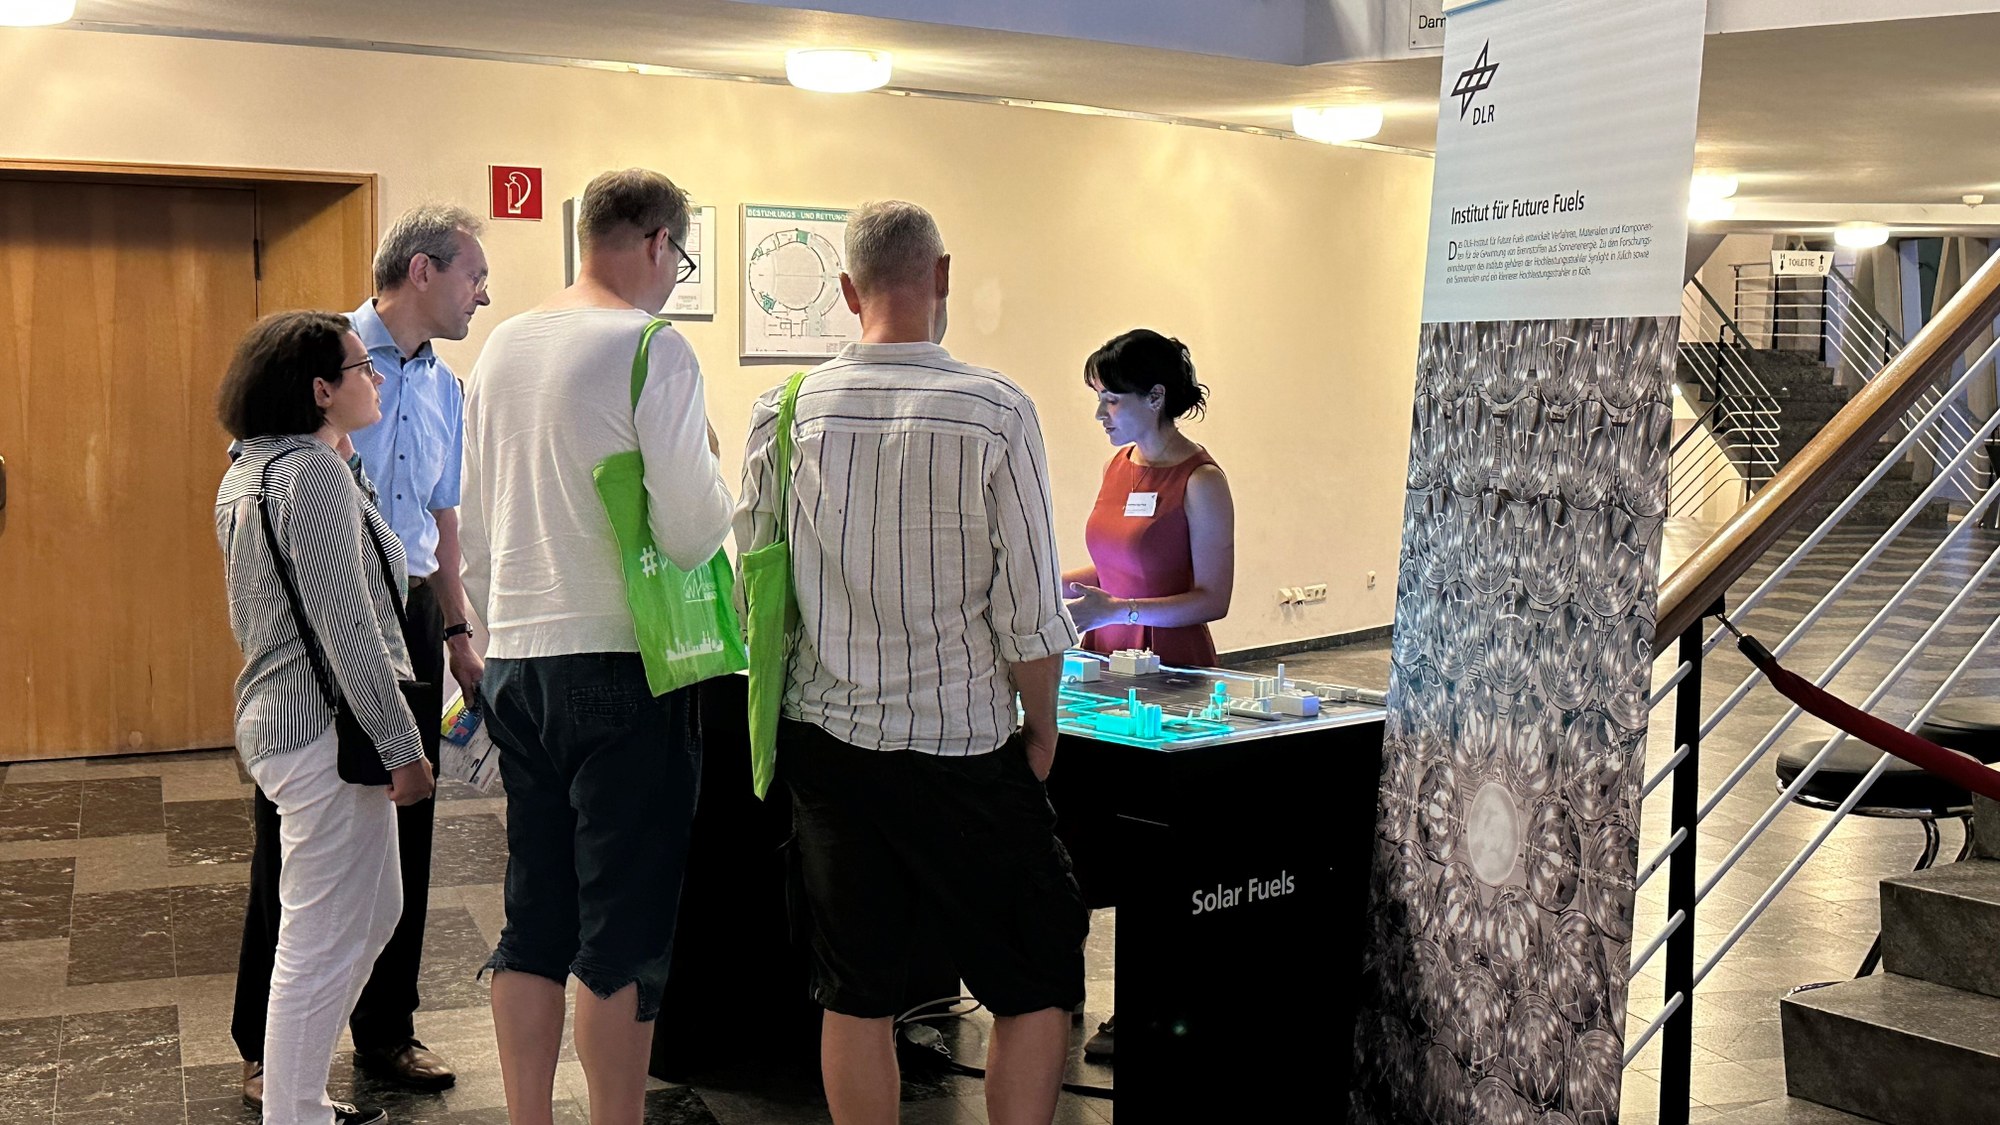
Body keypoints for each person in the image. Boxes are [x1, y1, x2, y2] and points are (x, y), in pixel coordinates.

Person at [734, 200, 1087, 1125]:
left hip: (829, 745)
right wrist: (1041, 723)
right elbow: (1028, 605)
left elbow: (754, 590)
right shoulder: (996, 409)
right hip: (964, 744)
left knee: (856, 990)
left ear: (846, 292)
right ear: (942, 278)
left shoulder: (784, 409)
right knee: (1034, 977)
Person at [458, 168, 732, 1125]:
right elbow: (696, 532)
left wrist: (497, 638)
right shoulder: (652, 345)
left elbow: (481, 527)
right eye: (680, 258)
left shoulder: (502, 347)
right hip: (625, 663)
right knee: (622, 929)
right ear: (658, 242)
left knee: (533, 919)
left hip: (520, 661)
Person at [234, 205, 491, 1106]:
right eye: (472, 275)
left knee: (389, 870)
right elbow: (333, 605)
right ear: (422, 270)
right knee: (305, 873)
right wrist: (400, 744)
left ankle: (381, 1032)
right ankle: (275, 1057)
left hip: (411, 609)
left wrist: (457, 630)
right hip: (330, 654)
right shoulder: (325, 374)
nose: (483, 293)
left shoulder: (442, 388)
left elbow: (442, 518)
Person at [214, 310, 439, 1125]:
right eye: (359, 368)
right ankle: (295, 1109)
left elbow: (369, 561)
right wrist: (402, 749)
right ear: (320, 390)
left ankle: (299, 1095)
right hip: (322, 730)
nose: (373, 377)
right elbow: (351, 627)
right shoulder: (306, 477)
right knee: (314, 938)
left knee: (373, 911)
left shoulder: (261, 465)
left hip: (293, 723)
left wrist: (345, 455)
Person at [1059, 328, 1235, 1060]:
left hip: (1169, 672)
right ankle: (1058, 984)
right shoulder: (1117, 465)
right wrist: (1069, 584)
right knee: (1077, 825)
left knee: (1150, 848)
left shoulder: (1201, 481)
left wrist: (1119, 612)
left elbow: (1212, 598)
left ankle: (1142, 1005)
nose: (1101, 413)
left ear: (1157, 398)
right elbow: (1110, 564)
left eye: (1111, 399)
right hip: (1101, 664)